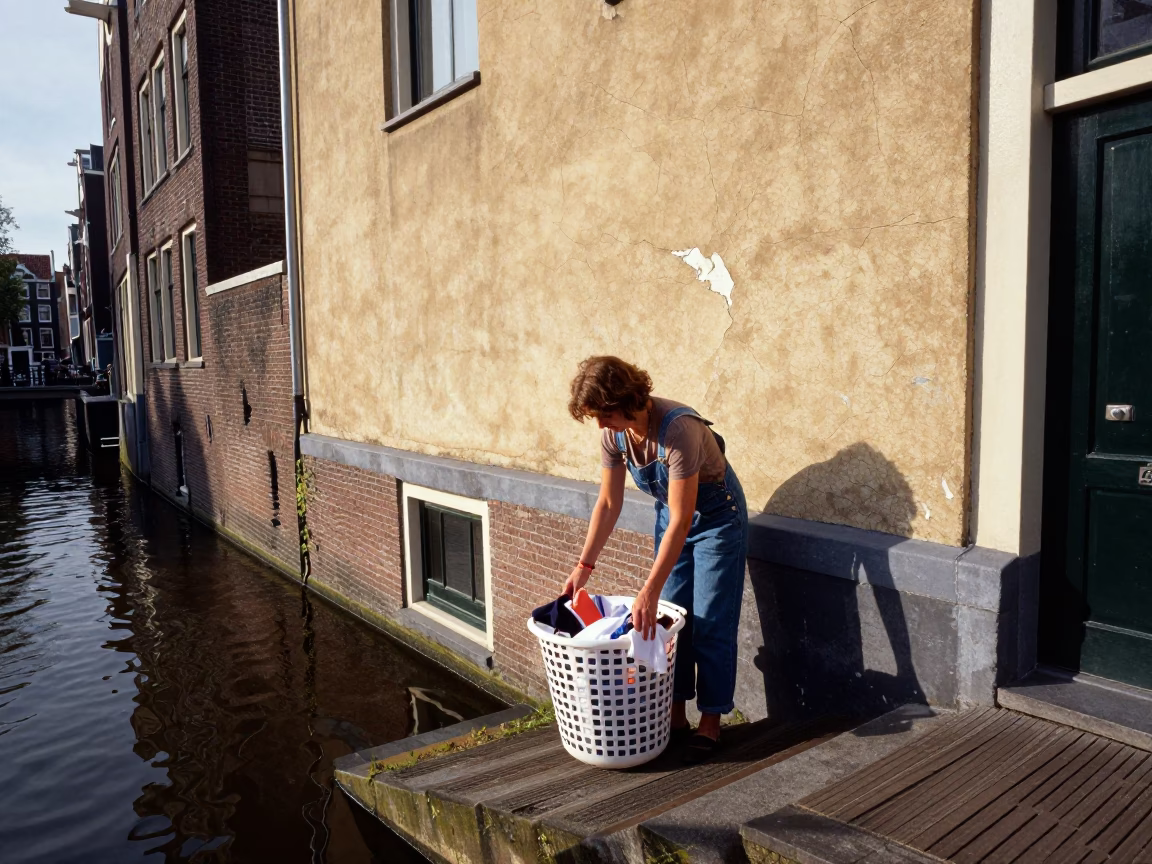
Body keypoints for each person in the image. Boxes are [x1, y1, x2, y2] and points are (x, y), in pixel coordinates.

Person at [564, 356, 748, 762]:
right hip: (673, 516)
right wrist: (584, 566)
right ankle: (675, 713)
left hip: (717, 519)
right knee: (673, 619)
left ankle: (712, 721)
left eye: (604, 414)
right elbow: (609, 503)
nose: (600, 425)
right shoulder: (614, 436)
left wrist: (647, 588)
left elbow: (685, 519)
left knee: (712, 621)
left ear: (627, 399)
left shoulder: (678, 429)